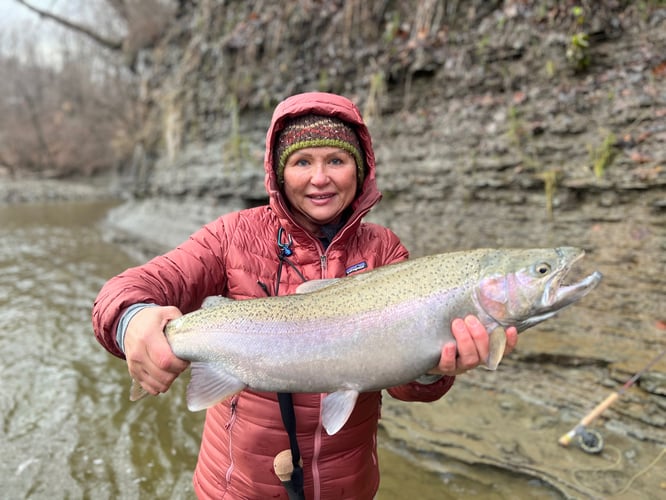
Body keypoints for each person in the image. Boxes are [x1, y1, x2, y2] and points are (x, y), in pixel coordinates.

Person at [92, 91, 518, 499]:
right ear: (279, 172)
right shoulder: (231, 236)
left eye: (336, 160)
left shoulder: (383, 250)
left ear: (360, 169)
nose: (320, 178)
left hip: (346, 486)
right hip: (238, 489)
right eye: (302, 162)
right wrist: (131, 322)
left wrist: (432, 370)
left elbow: (404, 386)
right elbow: (124, 292)